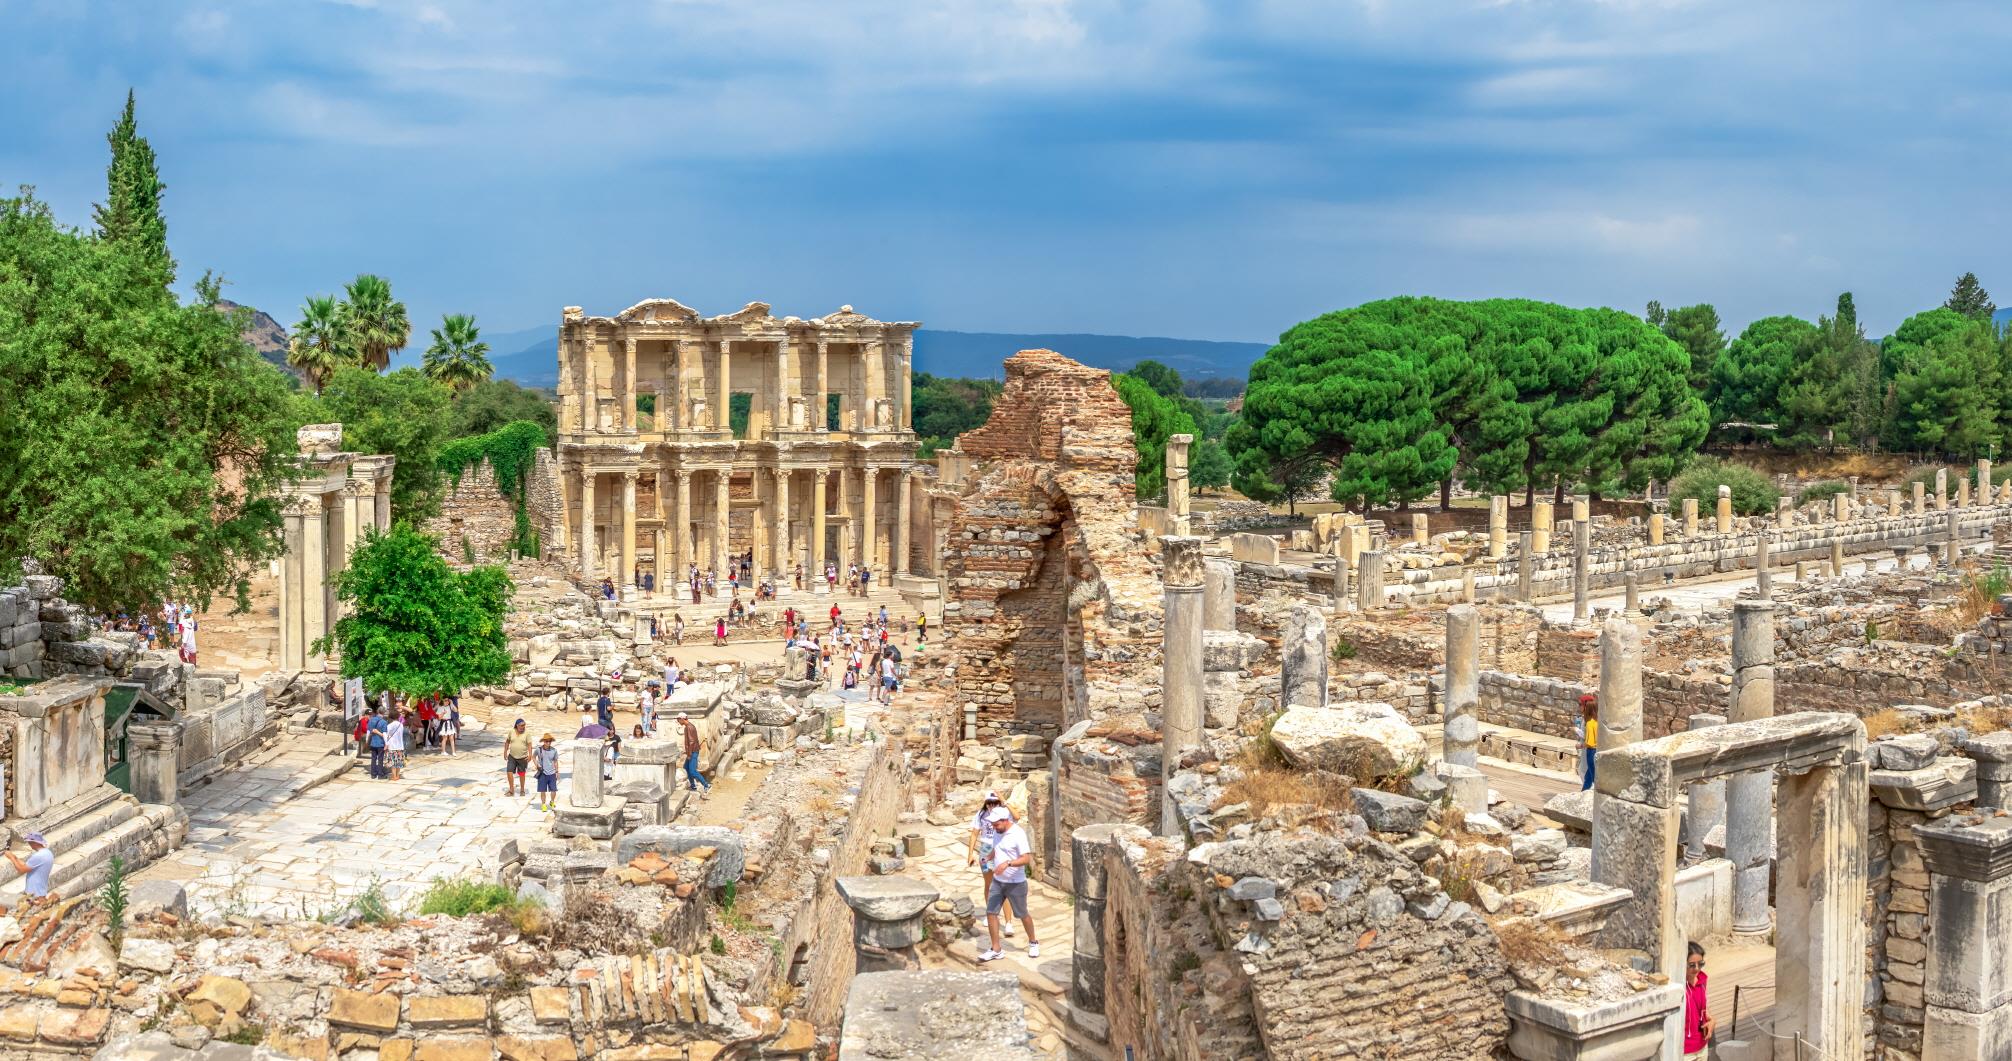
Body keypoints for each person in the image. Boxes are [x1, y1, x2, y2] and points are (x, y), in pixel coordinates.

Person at [978, 807, 1039, 961]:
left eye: (996, 824)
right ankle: (996, 949)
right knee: (991, 913)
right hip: (998, 882)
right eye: (992, 824)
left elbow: (1026, 859)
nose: (994, 827)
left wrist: (1008, 864)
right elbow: (997, 849)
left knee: (1022, 914)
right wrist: (989, 857)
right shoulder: (998, 832)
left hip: (1015, 883)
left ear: (1005, 820)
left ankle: (1033, 942)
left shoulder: (1018, 834)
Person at [964, 792, 1014, 938]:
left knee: (1004, 886)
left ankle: (1009, 922)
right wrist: (970, 854)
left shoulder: (1004, 813)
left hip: (1000, 849)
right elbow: (974, 833)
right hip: (986, 849)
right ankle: (991, 912)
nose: (992, 805)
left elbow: (1016, 817)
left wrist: (1004, 801)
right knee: (989, 885)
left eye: (995, 802)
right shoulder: (981, 814)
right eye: (989, 803)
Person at [1684, 941, 1714, 1058]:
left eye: (1700, 964)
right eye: (1692, 965)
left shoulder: (1702, 980)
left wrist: (1712, 1021)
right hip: (1684, 1052)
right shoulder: (1678, 987)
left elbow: (1703, 1011)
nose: (1697, 969)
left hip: (1702, 1046)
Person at [5, 833, 53, 904]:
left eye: (30, 842)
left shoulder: (38, 856)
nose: (29, 844)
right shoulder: (48, 853)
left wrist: (11, 858)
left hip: (34, 894)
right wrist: (15, 857)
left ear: (34, 843)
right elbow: (26, 866)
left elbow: (21, 870)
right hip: (41, 892)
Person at [678, 712, 710, 798]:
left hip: (692, 752)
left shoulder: (689, 727)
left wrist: (689, 754)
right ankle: (693, 785)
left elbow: (691, 742)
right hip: (692, 751)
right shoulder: (688, 727)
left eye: (678, 719)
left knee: (692, 771)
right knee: (686, 768)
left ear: (682, 719)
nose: (678, 721)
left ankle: (706, 785)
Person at [504, 719, 533, 796]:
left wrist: (530, 755)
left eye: (524, 725)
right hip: (512, 756)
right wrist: (505, 752)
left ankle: (522, 790)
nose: (523, 727)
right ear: (517, 725)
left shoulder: (527, 733)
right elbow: (507, 742)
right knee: (509, 771)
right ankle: (511, 790)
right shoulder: (511, 731)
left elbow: (529, 745)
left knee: (521, 774)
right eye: (522, 725)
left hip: (523, 758)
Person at [1576, 694, 1599, 791]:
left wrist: (1580, 745)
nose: (1579, 706)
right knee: (1589, 775)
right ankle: (1584, 791)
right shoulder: (1596, 721)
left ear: (1586, 706)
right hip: (1596, 750)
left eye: (1580, 704)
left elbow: (1589, 742)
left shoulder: (1589, 723)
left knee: (1591, 775)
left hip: (1591, 751)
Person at [532, 733, 560, 812]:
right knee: (543, 790)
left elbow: (555, 761)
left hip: (552, 773)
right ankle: (543, 804)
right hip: (542, 773)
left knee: (554, 790)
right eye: (546, 741)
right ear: (543, 741)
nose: (548, 743)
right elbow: (533, 757)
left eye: (549, 741)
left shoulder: (554, 750)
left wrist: (557, 772)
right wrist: (536, 764)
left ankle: (552, 801)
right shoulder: (538, 749)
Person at [366, 710, 390, 779]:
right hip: (380, 744)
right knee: (380, 759)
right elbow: (385, 734)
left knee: (373, 758)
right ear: (382, 714)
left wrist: (367, 741)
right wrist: (386, 743)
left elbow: (368, 731)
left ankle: (373, 774)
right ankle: (380, 774)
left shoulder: (371, 720)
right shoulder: (384, 722)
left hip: (373, 743)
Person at [384, 710, 407, 781]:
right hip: (400, 745)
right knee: (399, 762)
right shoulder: (401, 725)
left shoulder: (389, 725)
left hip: (392, 745)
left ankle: (394, 776)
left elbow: (385, 734)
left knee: (393, 762)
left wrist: (386, 743)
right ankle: (397, 775)